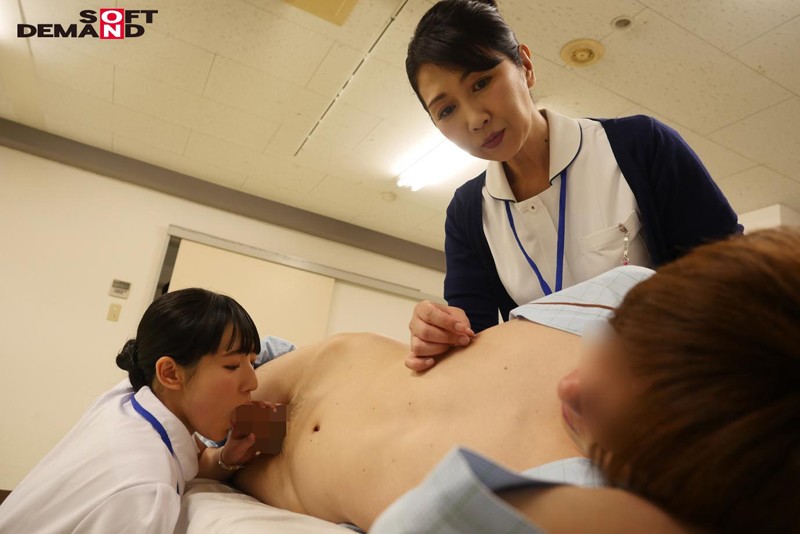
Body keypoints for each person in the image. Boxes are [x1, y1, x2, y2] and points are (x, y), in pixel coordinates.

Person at [233, 228, 799, 533]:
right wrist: (439, 327)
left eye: (606, 410)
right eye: (617, 340)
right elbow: (475, 345)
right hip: (307, 367)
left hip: (260, 470)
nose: (567, 387)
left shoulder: (606, 506)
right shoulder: (629, 290)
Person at [403, 0, 743, 370]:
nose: (474, 119)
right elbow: (471, 342)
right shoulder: (468, 212)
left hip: (666, 382)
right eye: (446, 110)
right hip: (553, 397)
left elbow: (731, 274)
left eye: (481, 83)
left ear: (525, 66)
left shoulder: (639, 146)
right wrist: (440, 333)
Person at [0, 288, 266, 533]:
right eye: (232, 366)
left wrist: (226, 458)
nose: (252, 383)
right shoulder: (145, 495)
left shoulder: (130, 398)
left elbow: (188, 455)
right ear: (170, 373)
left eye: (253, 363)